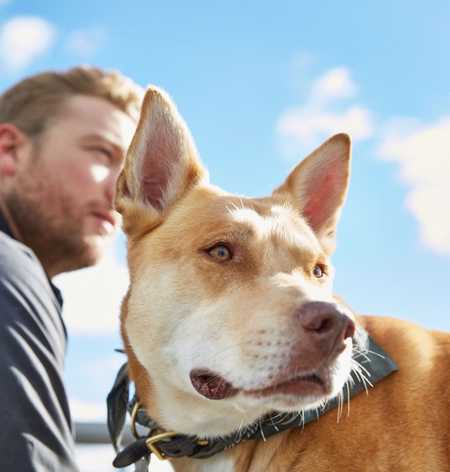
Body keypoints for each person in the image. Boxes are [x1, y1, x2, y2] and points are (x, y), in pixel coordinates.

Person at [0, 66, 143, 471]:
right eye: (102, 153)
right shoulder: (7, 268)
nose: (122, 194)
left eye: (131, 172)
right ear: (9, 150)